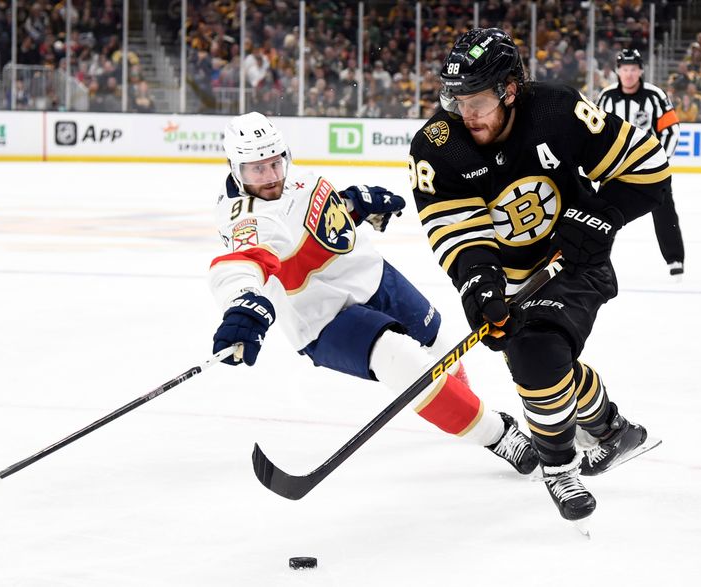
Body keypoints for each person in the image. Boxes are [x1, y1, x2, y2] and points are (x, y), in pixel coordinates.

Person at [409, 29, 669, 522]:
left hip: (572, 261)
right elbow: (458, 233)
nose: (465, 114)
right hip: (508, 278)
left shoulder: (557, 111)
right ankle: (615, 431)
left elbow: (648, 168)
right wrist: (480, 288)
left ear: (509, 90)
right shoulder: (438, 146)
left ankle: (558, 466)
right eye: (455, 99)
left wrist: (598, 216)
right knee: (548, 371)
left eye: (477, 100)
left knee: (537, 356)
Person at [208, 111, 539, 476]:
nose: (271, 177)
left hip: (375, 277)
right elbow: (241, 264)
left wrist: (356, 204)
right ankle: (496, 434)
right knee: (400, 360)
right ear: (236, 169)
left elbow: (322, 218)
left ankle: (462, 406)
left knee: (441, 345)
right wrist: (242, 306)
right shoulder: (246, 219)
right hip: (324, 318)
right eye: (257, 169)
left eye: (275, 162)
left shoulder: (298, 179)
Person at [597, 48, 685, 277]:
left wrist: (660, 161)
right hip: (615, 169)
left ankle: (674, 259)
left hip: (651, 169)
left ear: (641, 70)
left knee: (665, 211)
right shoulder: (606, 97)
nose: (628, 74)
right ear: (617, 71)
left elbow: (671, 130)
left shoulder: (655, 96)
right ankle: (596, 261)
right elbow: (595, 132)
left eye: (633, 69)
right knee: (600, 215)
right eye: (624, 69)